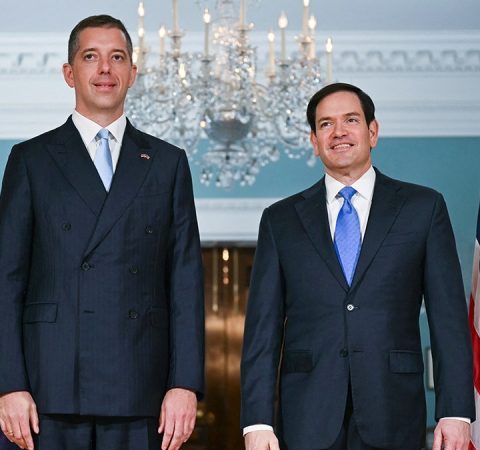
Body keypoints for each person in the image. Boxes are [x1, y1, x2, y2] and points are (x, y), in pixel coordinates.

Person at [0, 15, 204, 450]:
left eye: (118, 57)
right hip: (46, 385)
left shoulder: (167, 163)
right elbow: (6, 281)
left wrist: (184, 384)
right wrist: (8, 384)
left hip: (141, 385)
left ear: (133, 72)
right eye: (91, 56)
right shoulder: (30, 160)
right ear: (69, 73)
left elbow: (185, 283)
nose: (105, 68)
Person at [240, 82, 475, 450]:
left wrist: (456, 412)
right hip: (306, 415)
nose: (339, 132)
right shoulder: (280, 220)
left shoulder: (423, 208)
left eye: (350, 120)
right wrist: (257, 420)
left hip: (393, 410)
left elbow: (449, 318)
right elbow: (262, 330)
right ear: (314, 141)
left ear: (372, 131)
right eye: (326, 124)